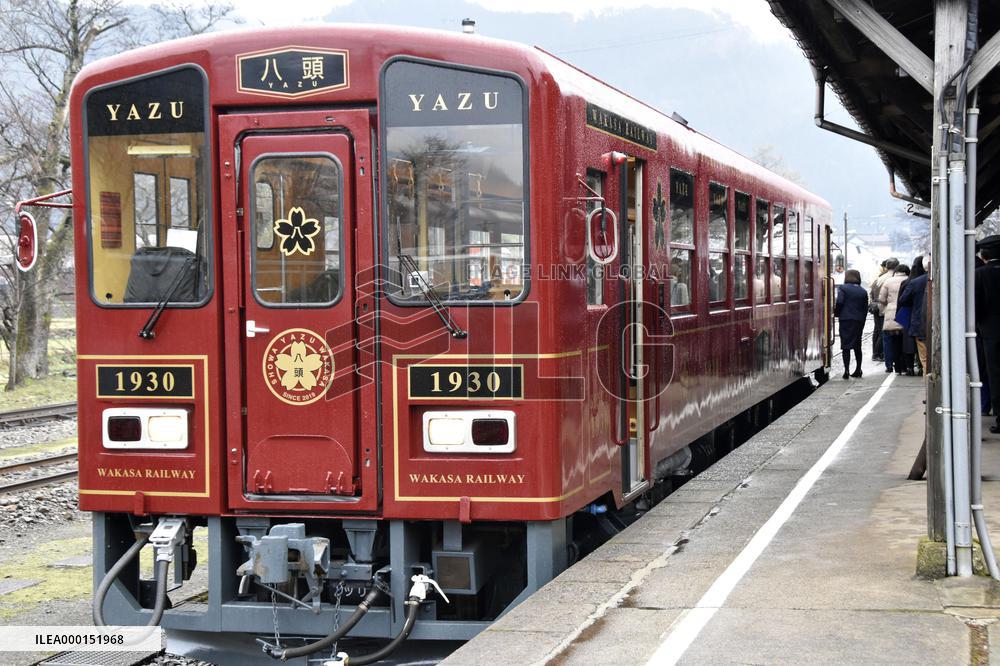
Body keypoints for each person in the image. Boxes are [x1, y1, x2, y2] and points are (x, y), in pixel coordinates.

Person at [976, 239, 1000, 432]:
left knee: (995, 372)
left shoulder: (980, 274)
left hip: (991, 331)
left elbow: (977, 305)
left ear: (983, 256)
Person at [898, 255, 928, 377]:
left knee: (924, 357)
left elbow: (902, 300)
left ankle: (925, 380)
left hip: (917, 320)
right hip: (935, 322)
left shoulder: (913, 282)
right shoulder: (940, 279)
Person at [835, 269, 868, 379]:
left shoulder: (843, 288)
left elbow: (839, 302)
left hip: (846, 320)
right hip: (858, 321)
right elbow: (865, 308)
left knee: (846, 346)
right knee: (857, 345)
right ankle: (858, 369)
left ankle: (846, 370)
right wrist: (862, 320)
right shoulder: (863, 291)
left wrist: (837, 313)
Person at [880, 263, 910, 373]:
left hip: (890, 313)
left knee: (888, 341)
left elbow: (882, 299)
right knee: (904, 341)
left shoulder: (888, 281)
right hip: (905, 313)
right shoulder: (909, 280)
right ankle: (903, 366)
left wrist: (884, 311)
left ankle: (889, 365)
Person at [870, 258, 898, 362]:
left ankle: (876, 353)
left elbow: (872, 292)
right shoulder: (893, 278)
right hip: (886, 308)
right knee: (884, 332)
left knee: (878, 331)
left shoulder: (880, 278)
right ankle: (880, 353)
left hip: (876, 307)